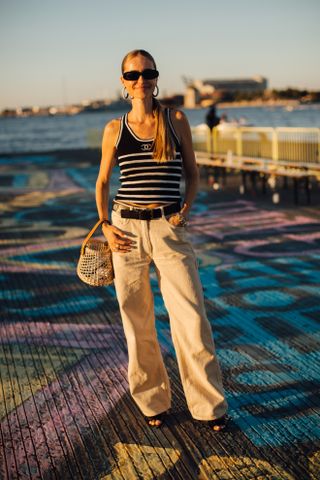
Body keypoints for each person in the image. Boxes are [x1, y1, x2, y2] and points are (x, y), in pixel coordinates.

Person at [96, 49, 228, 430]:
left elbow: (193, 172)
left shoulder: (176, 119)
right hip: (126, 232)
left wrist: (185, 209)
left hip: (168, 228)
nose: (141, 80)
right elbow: (104, 182)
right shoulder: (114, 129)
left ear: (156, 77)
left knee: (190, 317)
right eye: (133, 75)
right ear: (123, 81)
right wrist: (105, 223)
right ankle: (152, 400)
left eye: (147, 72)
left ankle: (208, 405)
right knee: (137, 321)